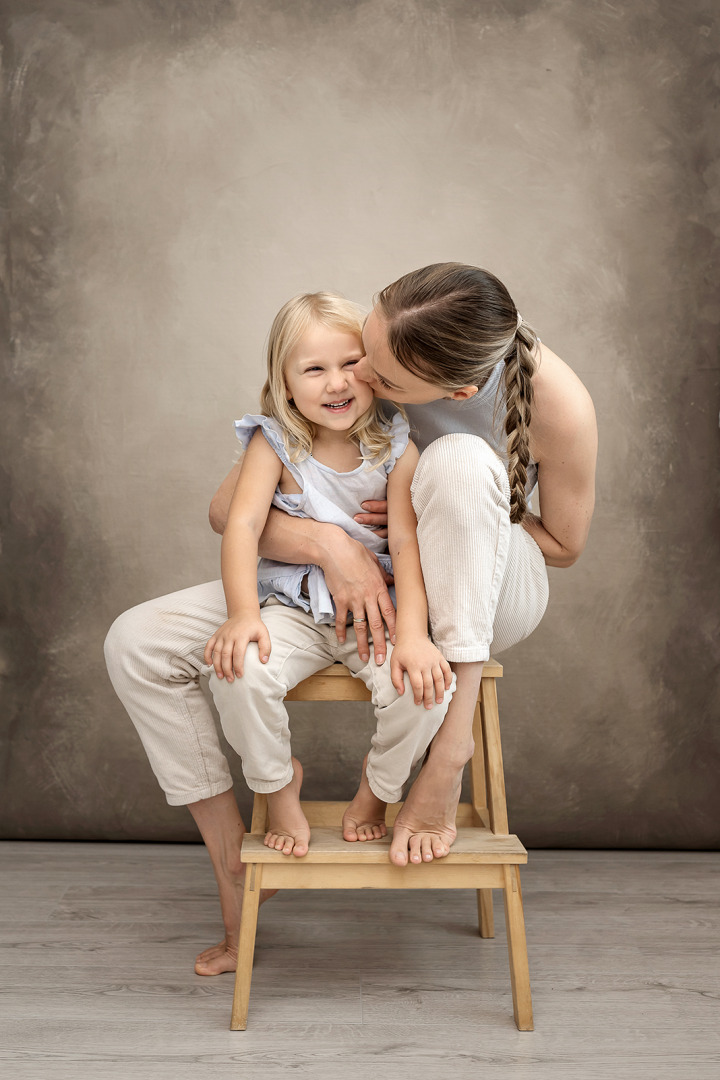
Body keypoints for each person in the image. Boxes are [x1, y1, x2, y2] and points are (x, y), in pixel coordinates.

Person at [105, 262, 597, 976]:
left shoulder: (543, 406)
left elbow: (565, 547)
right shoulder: (397, 336)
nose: (355, 374)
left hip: (470, 586)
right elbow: (230, 517)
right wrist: (330, 542)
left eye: (376, 373)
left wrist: (441, 530)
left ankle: (441, 756)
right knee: (137, 642)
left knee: (458, 464)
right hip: (307, 589)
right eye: (360, 345)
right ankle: (235, 867)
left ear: (448, 390)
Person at [201, 291, 453, 860]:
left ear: (372, 370)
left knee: (427, 692)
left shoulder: (396, 447)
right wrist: (243, 614)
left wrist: (413, 636)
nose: (336, 383)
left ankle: (377, 788)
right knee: (236, 672)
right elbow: (241, 526)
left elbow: (408, 546)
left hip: (376, 614)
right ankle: (276, 783)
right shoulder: (276, 444)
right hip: (294, 610)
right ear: (285, 383)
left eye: (349, 364)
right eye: (314, 369)